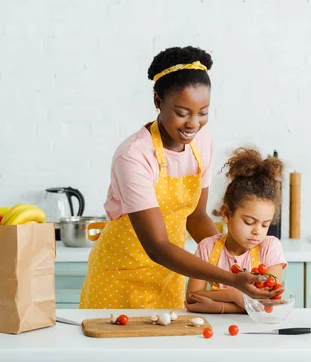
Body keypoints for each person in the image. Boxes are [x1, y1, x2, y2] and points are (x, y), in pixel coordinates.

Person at [79, 46, 280, 309]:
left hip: (171, 275)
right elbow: (157, 245)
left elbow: (196, 218)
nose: (193, 124)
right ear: (158, 102)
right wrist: (231, 278)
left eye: (203, 112)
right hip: (121, 280)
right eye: (182, 113)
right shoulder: (134, 156)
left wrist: (232, 261)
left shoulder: (201, 143)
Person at [185, 147, 287, 314]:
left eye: (264, 225)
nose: (257, 231)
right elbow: (192, 297)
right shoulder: (207, 247)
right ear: (226, 214)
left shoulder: (269, 247)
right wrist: (232, 293)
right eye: (249, 222)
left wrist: (220, 306)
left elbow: (265, 305)